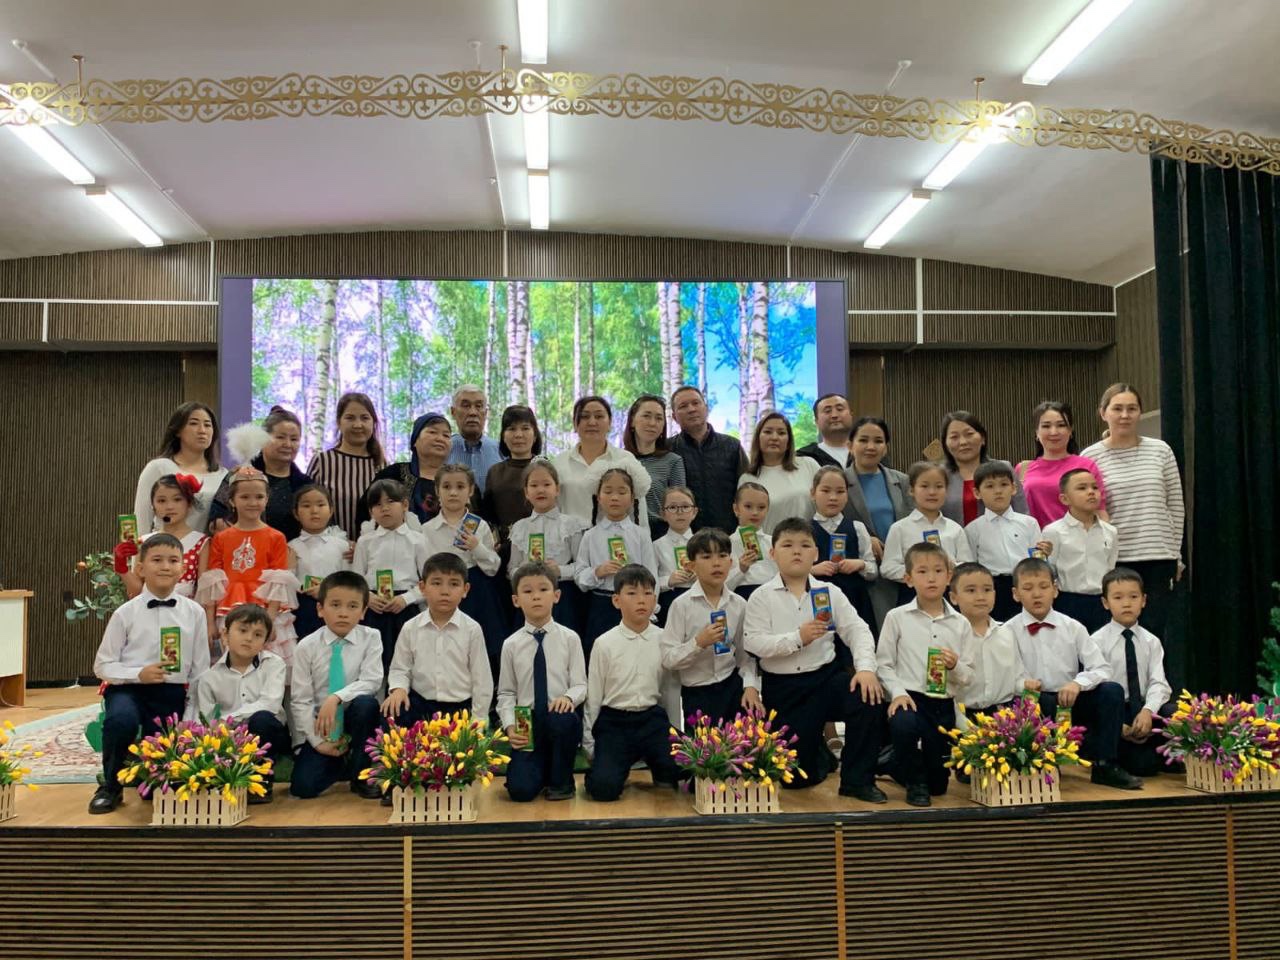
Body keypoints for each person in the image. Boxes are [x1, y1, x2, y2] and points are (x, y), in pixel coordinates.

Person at [743, 517, 886, 802]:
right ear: (772, 553)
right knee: (797, 778)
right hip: (785, 689)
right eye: (787, 545)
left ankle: (857, 780)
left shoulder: (830, 592)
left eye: (805, 545)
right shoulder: (761, 597)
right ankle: (820, 754)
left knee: (867, 696)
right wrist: (797, 638)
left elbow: (857, 630)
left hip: (825, 678)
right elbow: (753, 643)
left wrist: (865, 669)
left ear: (816, 553)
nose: (797, 551)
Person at [89, 533, 211, 814]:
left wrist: (193, 711)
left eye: (173, 560)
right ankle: (110, 786)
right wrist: (137, 674)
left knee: (164, 754)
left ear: (183, 568)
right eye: (157, 560)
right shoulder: (125, 613)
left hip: (171, 691)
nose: (165, 566)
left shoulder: (194, 612)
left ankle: (154, 781)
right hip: (128, 689)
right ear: (141, 568)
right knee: (121, 721)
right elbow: (102, 665)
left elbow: (200, 668)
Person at [1008, 557, 1142, 790]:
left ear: (1055, 589)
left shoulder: (1073, 627)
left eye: (1043, 586)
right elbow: (1003, 676)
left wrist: (1078, 684)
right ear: (1015, 594)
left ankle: (1105, 765)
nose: (1037, 594)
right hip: (1034, 702)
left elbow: (1102, 668)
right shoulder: (1007, 631)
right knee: (1029, 701)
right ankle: (1040, 763)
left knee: (1111, 690)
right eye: (1028, 588)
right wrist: (1023, 684)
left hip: (1069, 701)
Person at [1082, 383, 1185, 650]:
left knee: (1155, 634)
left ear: (1140, 412)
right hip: (1117, 559)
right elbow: (1087, 509)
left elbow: (1175, 505)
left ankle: (1157, 679)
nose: (1125, 415)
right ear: (1103, 413)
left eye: (1132, 408)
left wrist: (1176, 554)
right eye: (1117, 409)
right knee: (1117, 636)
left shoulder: (1161, 450)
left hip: (1158, 557)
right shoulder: (1090, 456)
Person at [877, 542, 971, 807]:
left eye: (938, 571)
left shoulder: (961, 623)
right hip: (909, 697)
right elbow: (883, 664)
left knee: (938, 786)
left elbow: (968, 676)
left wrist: (955, 666)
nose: (931, 578)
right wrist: (897, 693)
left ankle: (892, 762)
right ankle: (914, 781)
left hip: (942, 702)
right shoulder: (896, 617)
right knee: (904, 724)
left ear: (949, 576)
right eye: (922, 571)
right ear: (908, 579)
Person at [584, 564, 684, 801]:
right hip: (614, 722)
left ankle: (660, 766)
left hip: (652, 720)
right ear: (616, 600)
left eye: (648, 593)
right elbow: (594, 695)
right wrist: (589, 743)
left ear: (655, 600)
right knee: (603, 789)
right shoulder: (604, 643)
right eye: (632, 593)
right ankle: (609, 768)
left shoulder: (664, 638)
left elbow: (670, 691)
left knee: (684, 770)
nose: (641, 600)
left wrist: (673, 731)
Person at [288, 570, 384, 800]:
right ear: (320, 609)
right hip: (324, 727)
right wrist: (318, 743)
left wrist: (337, 697)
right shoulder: (306, 646)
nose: (343, 613)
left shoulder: (371, 637)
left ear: (363, 612)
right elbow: (300, 700)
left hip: (355, 719)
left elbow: (372, 681)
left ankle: (361, 773)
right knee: (302, 788)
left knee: (366, 704)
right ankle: (340, 761)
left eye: (353, 606)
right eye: (335, 605)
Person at [499, 561, 587, 802]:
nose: (536, 596)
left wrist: (568, 698)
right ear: (516, 600)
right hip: (525, 720)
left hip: (557, 715)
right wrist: (509, 725)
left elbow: (581, 684)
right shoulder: (511, 644)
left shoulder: (570, 638)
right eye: (527, 591)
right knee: (520, 791)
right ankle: (537, 772)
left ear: (556, 596)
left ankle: (561, 782)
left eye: (543, 589)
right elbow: (506, 693)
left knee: (563, 720)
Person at [381, 553, 493, 735]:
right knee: (392, 710)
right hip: (420, 704)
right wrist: (399, 689)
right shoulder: (410, 627)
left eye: (454, 584)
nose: (445, 591)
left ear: (465, 589)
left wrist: (478, 719)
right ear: (422, 588)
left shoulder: (472, 629)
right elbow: (400, 668)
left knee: (458, 749)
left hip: (459, 708)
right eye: (436, 583)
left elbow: (482, 679)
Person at [187, 603, 289, 803]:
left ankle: (261, 781)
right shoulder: (209, 677)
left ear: (265, 642)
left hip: (270, 733)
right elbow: (206, 719)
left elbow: (270, 704)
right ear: (225, 635)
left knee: (262, 719)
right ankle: (225, 778)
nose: (249, 638)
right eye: (242, 631)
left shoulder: (274, 664)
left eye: (258, 635)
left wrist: (228, 720)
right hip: (231, 739)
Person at [195, 466, 298, 663]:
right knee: (233, 664)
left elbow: (278, 581)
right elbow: (212, 582)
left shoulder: (276, 537)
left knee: (269, 664)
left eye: (259, 497)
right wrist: (209, 622)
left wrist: (269, 620)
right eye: (245, 497)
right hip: (230, 608)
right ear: (232, 501)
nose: (252, 502)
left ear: (267, 500)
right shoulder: (221, 538)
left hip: (267, 609)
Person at [661, 528, 761, 726]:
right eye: (706, 557)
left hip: (731, 686)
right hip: (697, 692)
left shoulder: (739, 604)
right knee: (705, 746)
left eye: (722, 556)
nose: (716, 563)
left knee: (745, 742)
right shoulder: (681, 606)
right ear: (691, 565)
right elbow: (668, 659)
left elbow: (746, 655)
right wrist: (698, 643)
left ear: (731, 562)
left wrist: (751, 686)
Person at [420, 464, 506, 689]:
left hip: (477, 591)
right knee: (447, 641)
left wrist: (477, 547)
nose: (453, 492)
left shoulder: (480, 526)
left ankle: (486, 692)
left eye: (460, 487)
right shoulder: (427, 529)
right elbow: (424, 567)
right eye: (446, 487)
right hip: (442, 590)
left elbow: (493, 567)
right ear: (437, 491)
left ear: (470, 491)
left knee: (482, 643)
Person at [1092, 567, 1174, 777]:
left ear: (1144, 600)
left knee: (1174, 712)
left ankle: (1169, 759)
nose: (1127, 603)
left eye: (1133, 597)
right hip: (1116, 714)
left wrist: (1148, 711)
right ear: (1105, 602)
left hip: (1144, 709)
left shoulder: (1152, 641)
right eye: (1118, 598)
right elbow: (1096, 690)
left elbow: (1159, 684)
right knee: (1142, 766)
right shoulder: (1096, 642)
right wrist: (1119, 725)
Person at [575, 468, 659, 660]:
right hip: (601, 605)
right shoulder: (590, 535)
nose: (614, 497)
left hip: (635, 604)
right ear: (599, 498)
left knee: (636, 656)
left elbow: (652, 575)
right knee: (602, 656)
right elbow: (579, 576)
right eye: (608, 491)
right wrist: (597, 572)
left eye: (622, 492)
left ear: (632, 498)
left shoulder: (640, 535)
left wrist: (650, 608)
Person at [351, 479, 430, 675]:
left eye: (390, 502)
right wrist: (368, 598)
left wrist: (406, 599)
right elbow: (356, 580)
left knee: (406, 661)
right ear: (371, 512)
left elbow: (429, 582)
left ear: (405, 505)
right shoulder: (365, 542)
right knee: (373, 661)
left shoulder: (418, 541)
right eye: (377, 504)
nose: (384, 508)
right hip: (373, 606)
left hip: (405, 607)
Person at [843, 417, 912, 628]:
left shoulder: (902, 481)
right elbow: (832, 522)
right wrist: (865, 538)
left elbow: (913, 521)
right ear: (850, 445)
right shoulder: (839, 481)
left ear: (886, 447)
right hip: (862, 572)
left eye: (878, 441)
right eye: (863, 440)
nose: (871, 446)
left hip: (902, 570)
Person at [949, 562, 1039, 721]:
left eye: (987, 590)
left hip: (1004, 716)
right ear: (953, 597)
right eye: (971, 590)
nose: (981, 597)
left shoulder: (1007, 633)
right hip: (961, 716)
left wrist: (1026, 684)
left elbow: (1016, 678)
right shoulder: (948, 635)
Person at [507, 459, 590, 631]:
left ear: (557, 489)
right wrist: (524, 571)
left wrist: (559, 570)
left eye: (546, 484)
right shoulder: (519, 527)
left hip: (562, 597)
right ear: (526, 492)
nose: (541, 490)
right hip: (528, 596)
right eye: (534, 485)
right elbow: (512, 568)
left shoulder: (571, 525)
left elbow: (583, 566)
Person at [208, 407, 313, 539]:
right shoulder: (239, 475)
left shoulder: (305, 485)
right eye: (280, 437)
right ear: (263, 439)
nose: (288, 444)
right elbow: (215, 519)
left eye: (294, 439)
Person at [964, 460, 1049, 623]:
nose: (998, 491)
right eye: (990, 486)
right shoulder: (973, 529)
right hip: (992, 587)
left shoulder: (1029, 523)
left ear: (1014, 488)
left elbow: (1037, 559)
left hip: (1024, 585)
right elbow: (972, 566)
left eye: (1003, 484)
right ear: (977, 493)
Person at [554, 395, 653, 527]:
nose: (592, 422)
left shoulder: (625, 459)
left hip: (615, 537)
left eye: (599, 416)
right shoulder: (559, 463)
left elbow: (639, 510)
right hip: (570, 537)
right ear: (575, 424)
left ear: (610, 423)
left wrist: (643, 536)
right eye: (584, 416)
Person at [1041, 468, 1119, 634]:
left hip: (1101, 602)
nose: (1091, 492)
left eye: (1094, 487)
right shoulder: (1053, 531)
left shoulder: (1110, 532)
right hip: (1067, 601)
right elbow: (1049, 570)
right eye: (1082, 488)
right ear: (1064, 498)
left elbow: (1110, 567)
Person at [134, 402, 227, 534]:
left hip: (205, 546)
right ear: (178, 431)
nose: (202, 430)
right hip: (163, 544)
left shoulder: (223, 475)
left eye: (207, 425)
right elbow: (141, 519)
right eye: (193, 423)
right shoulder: (159, 468)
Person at [881, 462, 974, 592]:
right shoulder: (899, 528)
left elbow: (968, 566)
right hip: (912, 592)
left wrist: (949, 568)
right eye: (924, 486)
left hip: (950, 592)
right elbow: (887, 568)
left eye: (939, 486)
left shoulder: (955, 529)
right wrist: (919, 572)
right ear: (912, 490)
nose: (932, 492)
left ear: (946, 490)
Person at [668, 385, 749, 535]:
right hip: (684, 538)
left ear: (706, 408)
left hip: (729, 535)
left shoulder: (732, 446)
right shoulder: (667, 450)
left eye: (696, 403)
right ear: (674, 417)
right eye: (683, 406)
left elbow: (747, 492)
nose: (691, 409)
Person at [306, 392, 387, 541]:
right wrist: (341, 544)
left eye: (365, 418)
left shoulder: (382, 465)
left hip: (374, 550)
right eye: (350, 418)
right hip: (329, 549)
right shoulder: (322, 462)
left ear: (373, 422)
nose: (358, 425)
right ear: (339, 422)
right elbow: (306, 509)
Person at [1015, 400, 1107, 527]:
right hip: (1033, 538)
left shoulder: (1086, 466)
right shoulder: (1022, 469)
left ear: (1070, 431)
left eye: (1061, 425)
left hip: (1078, 537)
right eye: (1046, 426)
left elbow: (1099, 511)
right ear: (1036, 432)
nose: (1054, 432)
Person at [809, 465, 878, 634]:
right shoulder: (804, 530)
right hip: (818, 602)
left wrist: (860, 564)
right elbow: (791, 571)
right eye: (825, 491)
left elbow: (873, 570)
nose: (833, 497)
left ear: (847, 495)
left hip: (855, 600)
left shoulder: (857, 528)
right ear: (813, 493)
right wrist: (812, 570)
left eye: (840, 491)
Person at [119, 473, 208, 600]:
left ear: (189, 503)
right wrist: (121, 567)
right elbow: (136, 591)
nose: (169, 506)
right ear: (153, 506)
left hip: (184, 610)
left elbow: (204, 592)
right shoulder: (144, 542)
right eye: (161, 501)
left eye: (177, 499)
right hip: (147, 609)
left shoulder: (201, 542)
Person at [358, 412, 453, 529]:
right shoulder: (393, 475)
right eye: (432, 432)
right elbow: (366, 510)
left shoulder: (458, 480)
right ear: (415, 441)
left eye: (446, 435)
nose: (440, 438)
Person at [739, 412, 820, 535]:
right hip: (770, 545)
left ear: (789, 441)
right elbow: (746, 526)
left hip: (809, 542)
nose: (774, 437)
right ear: (758, 438)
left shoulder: (808, 465)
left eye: (781, 433)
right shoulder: (748, 479)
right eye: (768, 432)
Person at [940, 410, 1027, 525]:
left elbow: (1022, 512)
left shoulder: (1003, 468)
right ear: (945, 444)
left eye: (969, 434)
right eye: (954, 437)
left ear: (982, 438)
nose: (963, 442)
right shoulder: (939, 475)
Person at [288, 483, 351, 642]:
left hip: (336, 606)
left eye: (321, 505)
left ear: (331, 510)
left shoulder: (343, 546)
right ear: (296, 513)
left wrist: (328, 590)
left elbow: (349, 579)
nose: (314, 511)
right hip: (302, 608)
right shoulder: (290, 547)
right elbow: (287, 583)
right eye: (306, 506)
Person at [623, 394, 687, 539]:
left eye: (659, 418)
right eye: (646, 416)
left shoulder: (673, 461)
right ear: (632, 421)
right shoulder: (619, 459)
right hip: (624, 534)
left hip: (661, 536)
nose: (652, 423)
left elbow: (680, 507)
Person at [481, 404, 542, 545]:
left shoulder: (545, 468)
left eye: (525, 428)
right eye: (511, 429)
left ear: (535, 435)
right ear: (503, 436)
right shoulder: (494, 472)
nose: (518, 435)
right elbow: (489, 516)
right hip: (504, 546)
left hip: (539, 544)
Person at [653, 486, 698, 625]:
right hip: (669, 602)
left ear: (694, 512)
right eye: (672, 507)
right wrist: (668, 580)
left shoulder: (704, 544)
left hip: (699, 598)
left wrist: (702, 575)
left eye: (685, 506)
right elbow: (650, 581)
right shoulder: (656, 546)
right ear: (663, 514)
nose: (679, 512)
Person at [447, 385, 502, 496]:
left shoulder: (501, 450)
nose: (473, 412)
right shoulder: (443, 450)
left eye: (478, 406)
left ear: (485, 413)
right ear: (453, 412)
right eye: (466, 406)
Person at [725, 482, 778, 598]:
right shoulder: (726, 545)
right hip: (741, 598)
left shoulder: (774, 543)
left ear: (767, 510)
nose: (755, 512)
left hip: (772, 597)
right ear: (736, 509)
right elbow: (720, 587)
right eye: (748, 506)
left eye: (761, 507)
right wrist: (741, 569)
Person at [798, 393, 855, 468]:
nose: (834, 415)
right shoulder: (804, 457)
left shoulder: (865, 451)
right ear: (816, 421)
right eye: (827, 411)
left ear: (851, 415)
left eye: (840, 409)